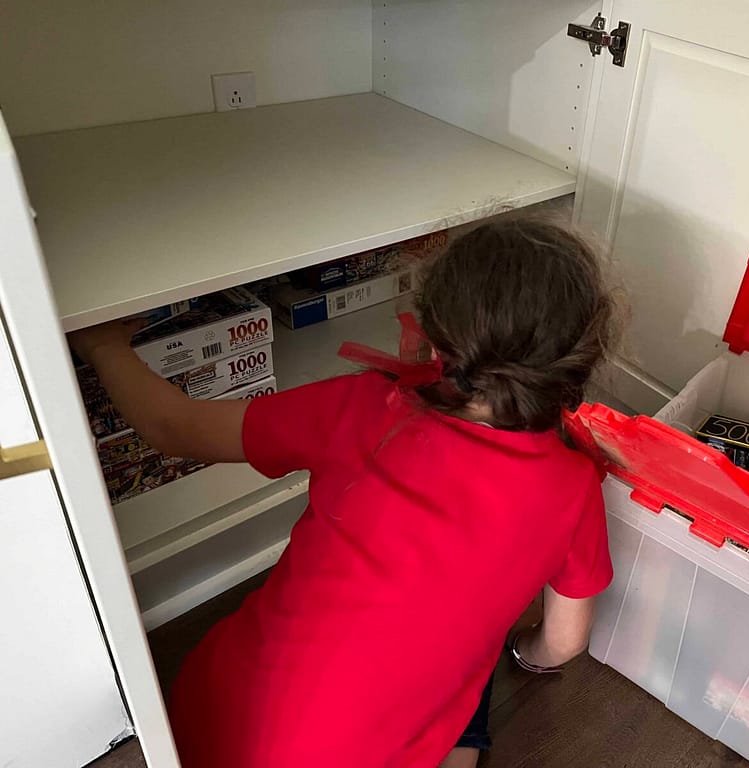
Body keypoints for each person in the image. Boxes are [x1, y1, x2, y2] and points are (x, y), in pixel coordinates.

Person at [70, 216, 619, 767]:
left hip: (209, 732)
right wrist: (523, 652)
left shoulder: (365, 406)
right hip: (370, 749)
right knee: (465, 688)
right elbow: (564, 643)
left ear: (439, 334)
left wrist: (104, 346)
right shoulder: (574, 487)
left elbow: (173, 427)